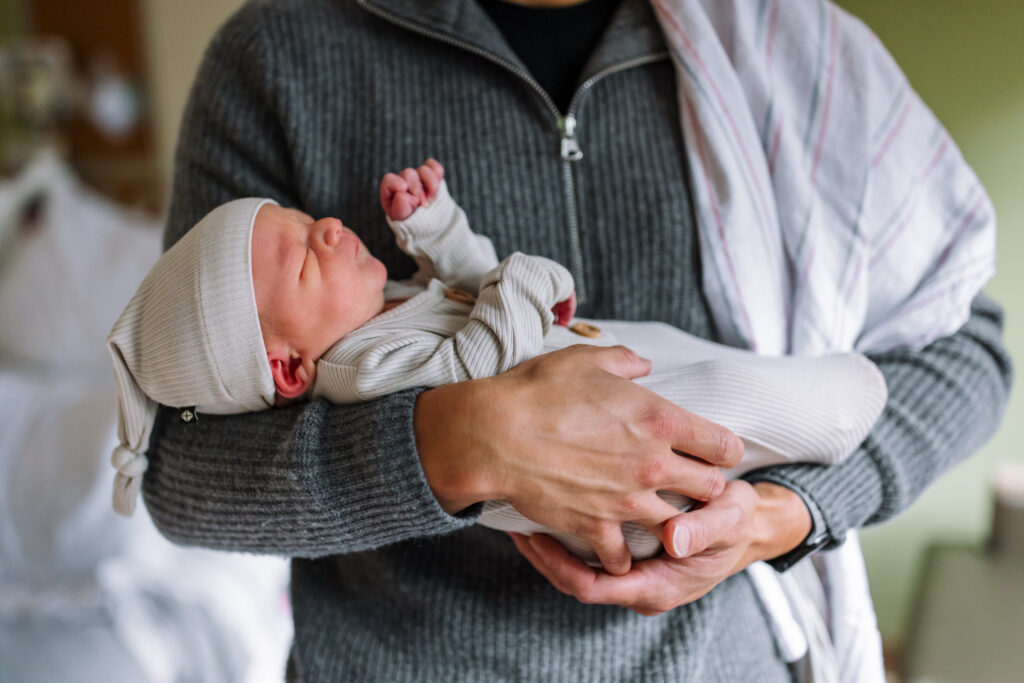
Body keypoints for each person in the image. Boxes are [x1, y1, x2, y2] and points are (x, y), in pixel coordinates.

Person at [141, 0, 1012, 680]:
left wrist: (787, 513)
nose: (328, 232)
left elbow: (962, 352)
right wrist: (456, 444)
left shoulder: (788, 48)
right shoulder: (278, 58)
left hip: (728, 662)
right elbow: (179, 471)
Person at [108, 159, 886, 569]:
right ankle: (845, 399)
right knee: (731, 397)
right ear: (287, 372)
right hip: (619, 505)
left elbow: (464, 290)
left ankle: (811, 420)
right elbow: (480, 365)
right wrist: (520, 281)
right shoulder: (364, 371)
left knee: (688, 360)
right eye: (306, 257)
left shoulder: (380, 318)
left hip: (608, 373)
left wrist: (437, 228)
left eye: (310, 220)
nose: (333, 227)